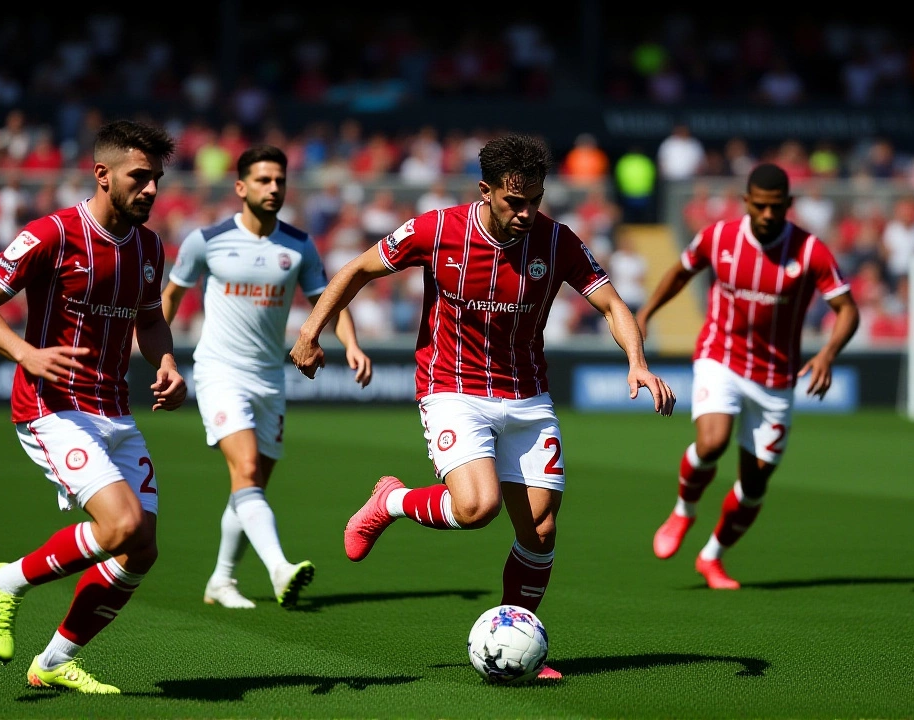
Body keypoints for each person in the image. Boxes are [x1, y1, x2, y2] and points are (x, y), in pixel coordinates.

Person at [290, 133, 676, 681]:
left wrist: (636, 361)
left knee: (539, 531)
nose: (525, 213)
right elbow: (355, 270)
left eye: (534, 201)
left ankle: (518, 638)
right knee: (477, 508)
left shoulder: (557, 241)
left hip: (526, 394)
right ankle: (389, 501)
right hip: (451, 388)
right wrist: (310, 331)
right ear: (485, 191)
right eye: (513, 202)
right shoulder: (437, 229)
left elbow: (612, 303)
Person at [0, 119, 185, 694]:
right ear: (102, 175)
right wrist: (24, 352)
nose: (152, 189)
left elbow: (150, 319)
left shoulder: (150, 247)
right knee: (122, 524)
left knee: (142, 549)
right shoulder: (52, 234)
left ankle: (53, 662)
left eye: (156, 178)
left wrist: (166, 363)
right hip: (51, 407)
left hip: (117, 412)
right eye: (140, 177)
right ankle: (4, 581)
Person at [161, 145, 373, 610]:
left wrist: (351, 344)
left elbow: (328, 301)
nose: (273, 188)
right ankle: (279, 569)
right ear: (240, 187)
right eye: (262, 180)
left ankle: (221, 580)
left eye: (279, 180)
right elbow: (171, 299)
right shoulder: (206, 240)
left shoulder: (298, 245)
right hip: (219, 371)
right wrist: (159, 354)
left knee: (249, 486)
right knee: (247, 471)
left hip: (271, 380)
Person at [636, 163, 859, 589]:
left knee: (755, 484)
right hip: (721, 356)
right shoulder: (718, 237)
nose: (768, 214)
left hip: (776, 378)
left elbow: (847, 308)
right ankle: (684, 509)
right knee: (713, 440)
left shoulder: (810, 251)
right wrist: (647, 312)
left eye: (776, 207)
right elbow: (682, 271)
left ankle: (712, 556)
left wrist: (828, 352)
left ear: (788, 205)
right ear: (747, 203)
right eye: (760, 206)